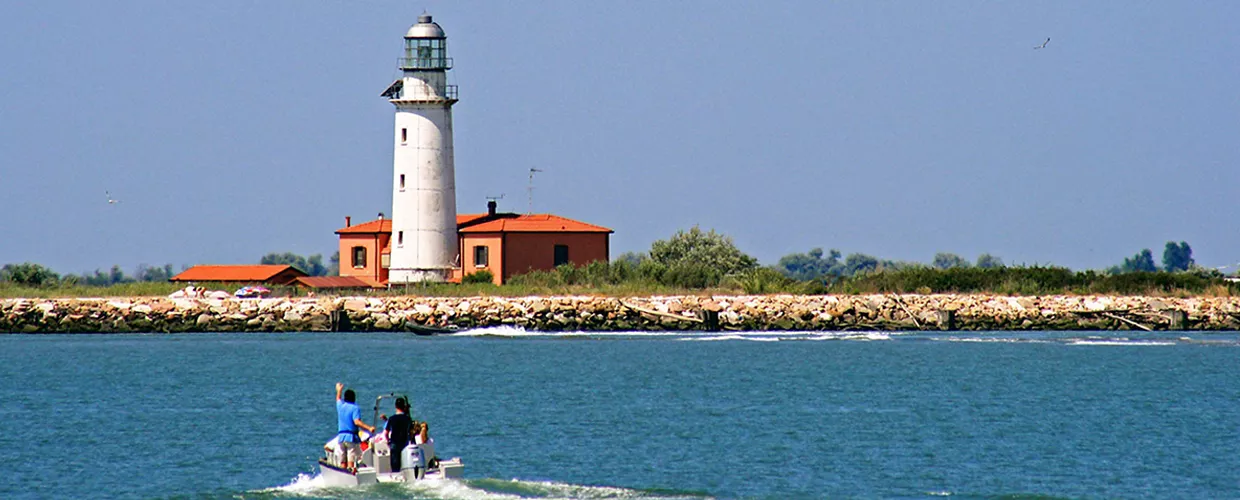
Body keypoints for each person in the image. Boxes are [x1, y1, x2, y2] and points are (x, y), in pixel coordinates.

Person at [335, 382, 376, 470]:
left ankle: (343, 473)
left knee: (343, 460)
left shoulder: (340, 406)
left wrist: (339, 390)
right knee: (351, 459)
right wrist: (369, 428)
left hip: (341, 437)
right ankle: (351, 473)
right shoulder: (355, 408)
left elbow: (338, 398)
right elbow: (357, 422)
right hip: (351, 437)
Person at [384, 397, 413, 471]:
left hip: (394, 443)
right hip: (404, 443)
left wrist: (388, 440)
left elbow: (386, 433)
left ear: (395, 406)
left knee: (395, 465)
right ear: (404, 406)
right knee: (405, 464)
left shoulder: (391, 418)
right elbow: (411, 432)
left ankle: (395, 475)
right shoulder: (408, 419)